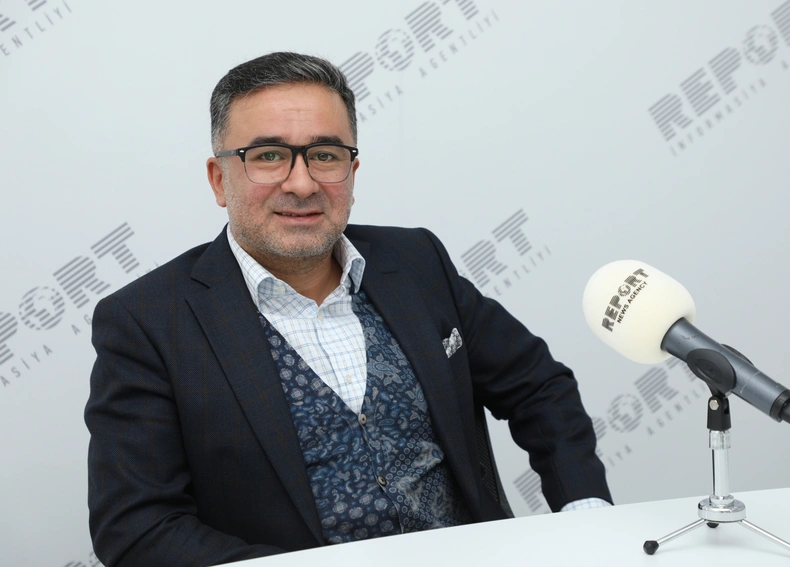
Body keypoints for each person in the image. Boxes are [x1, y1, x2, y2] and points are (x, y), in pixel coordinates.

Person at [85, 52, 612, 567]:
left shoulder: (417, 261)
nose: (301, 183)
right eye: (268, 155)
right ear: (220, 179)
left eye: (325, 155)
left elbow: (538, 386)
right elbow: (137, 529)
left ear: (352, 170)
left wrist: (584, 511)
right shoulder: (147, 321)